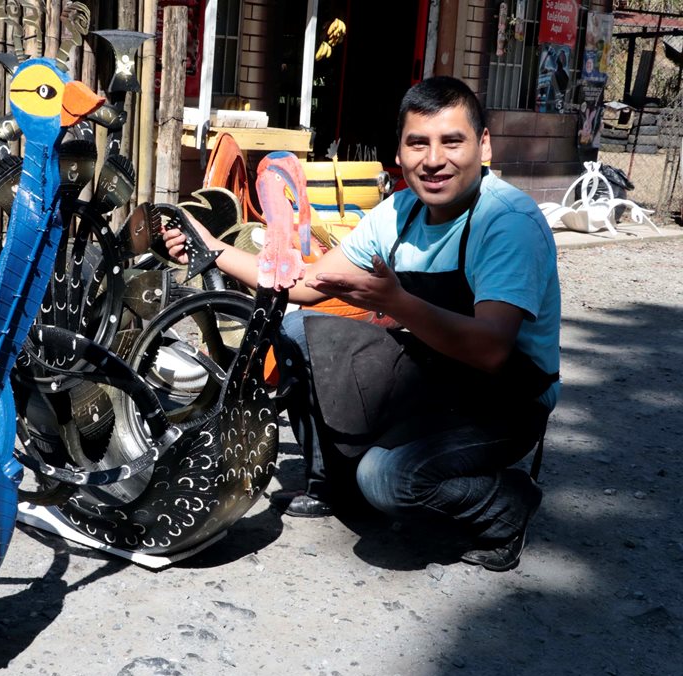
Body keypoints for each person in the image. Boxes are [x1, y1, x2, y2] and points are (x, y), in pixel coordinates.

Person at [163, 76, 560, 571]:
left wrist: (396, 300)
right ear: (400, 149)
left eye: (452, 141)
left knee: (388, 478)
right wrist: (213, 248)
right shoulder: (399, 210)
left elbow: (493, 350)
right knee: (298, 330)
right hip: (436, 373)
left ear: (483, 145)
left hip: (507, 396)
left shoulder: (506, 221)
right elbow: (306, 283)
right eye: (418, 143)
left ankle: (506, 505)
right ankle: (335, 484)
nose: (433, 159)